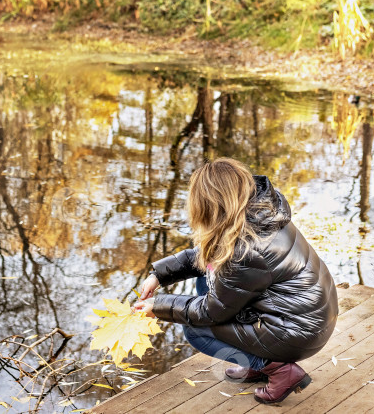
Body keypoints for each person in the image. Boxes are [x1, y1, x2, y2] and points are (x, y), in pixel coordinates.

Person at [134, 158, 338, 405]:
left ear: (211, 205)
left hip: (297, 331)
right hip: (304, 316)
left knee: (195, 330)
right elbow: (205, 258)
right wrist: (160, 275)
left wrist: (159, 307)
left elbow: (210, 311)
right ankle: (258, 360)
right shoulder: (259, 213)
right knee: (205, 276)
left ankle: (278, 369)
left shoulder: (246, 251)